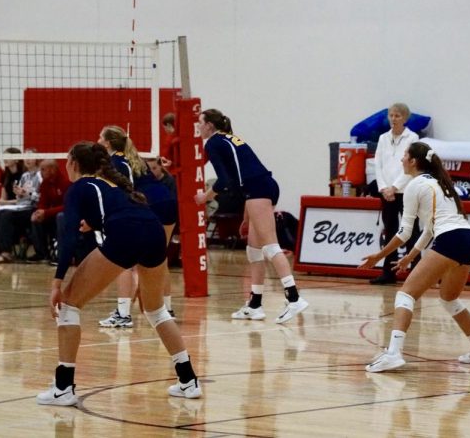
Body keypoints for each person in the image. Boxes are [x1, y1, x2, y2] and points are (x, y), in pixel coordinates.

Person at [36, 141, 201, 406]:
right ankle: (188, 380)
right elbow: (116, 211)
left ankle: (63, 388)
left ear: (74, 164)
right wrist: (95, 223)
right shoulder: (113, 184)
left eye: (67, 159)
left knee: (68, 305)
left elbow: (68, 236)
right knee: (156, 310)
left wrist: (57, 282)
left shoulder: (79, 187)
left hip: (127, 233)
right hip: (154, 231)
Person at [359, 141, 470, 372]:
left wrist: (379, 256)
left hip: (450, 241)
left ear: (413, 161)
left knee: (405, 295)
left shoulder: (414, 185)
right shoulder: (441, 184)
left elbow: (404, 232)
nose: (401, 160)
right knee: (449, 299)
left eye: (404, 156)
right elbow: (430, 230)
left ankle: (394, 354)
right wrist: (410, 256)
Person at [195, 108, 309, 323]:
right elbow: (244, 175)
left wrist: (206, 197)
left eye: (200, 123)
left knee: (271, 247)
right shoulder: (230, 138)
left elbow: (224, 181)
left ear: (209, 125)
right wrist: (247, 218)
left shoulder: (213, 143)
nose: (198, 127)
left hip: (257, 190)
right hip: (260, 188)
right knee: (254, 250)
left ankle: (294, 298)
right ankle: (255, 304)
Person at [98, 125, 177, 326]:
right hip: (166, 202)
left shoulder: (115, 162)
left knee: (124, 259)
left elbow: (128, 188)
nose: (97, 141)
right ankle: (166, 309)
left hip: (149, 205)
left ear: (107, 142)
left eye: (100, 137)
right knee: (160, 260)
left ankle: (123, 314)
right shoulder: (135, 158)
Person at [371, 102, 420, 285]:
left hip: (406, 191)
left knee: (411, 231)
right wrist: (384, 187)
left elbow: (411, 166)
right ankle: (388, 273)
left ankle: (416, 273)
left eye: (397, 116)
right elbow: (378, 165)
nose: (393, 119)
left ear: (405, 118)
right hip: (387, 193)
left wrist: (395, 187)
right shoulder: (383, 138)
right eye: (391, 115)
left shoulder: (412, 138)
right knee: (390, 231)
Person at [0, 151, 42, 263]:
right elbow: (20, 198)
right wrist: (19, 194)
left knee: (6, 215)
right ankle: (0, 251)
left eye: (30, 157)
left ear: (36, 159)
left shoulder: (40, 175)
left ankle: (7, 253)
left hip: (33, 208)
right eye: (25, 157)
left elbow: (40, 198)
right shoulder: (25, 176)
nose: (27, 160)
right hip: (21, 207)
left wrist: (26, 194)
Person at [27, 160, 69, 264]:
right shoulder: (45, 183)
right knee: (36, 218)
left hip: (65, 216)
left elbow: (67, 206)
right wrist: (39, 212)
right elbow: (42, 202)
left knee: (60, 216)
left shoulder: (66, 182)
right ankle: (42, 254)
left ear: (52, 170)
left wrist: (46, 212)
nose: (40, 172)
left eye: (43, 170)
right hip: (52, 215)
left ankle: (61, 256)